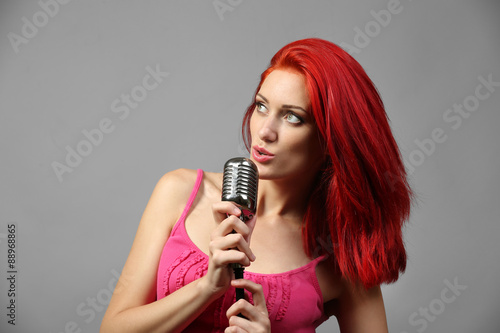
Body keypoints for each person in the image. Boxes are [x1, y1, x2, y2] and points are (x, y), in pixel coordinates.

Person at [101, 38, 413, 333]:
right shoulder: (180, 192)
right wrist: (205, 288)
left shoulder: (342, 254)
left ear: (331, 140)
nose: (264, 131)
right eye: (262, 106)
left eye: (292, 117)